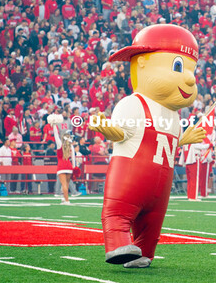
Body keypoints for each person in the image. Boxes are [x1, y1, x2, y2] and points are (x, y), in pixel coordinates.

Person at [88, 25, 206, 268]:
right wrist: (105, 128)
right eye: (178, 67)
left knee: (152, 223)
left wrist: (185, 138)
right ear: (142, 63)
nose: (190, 78)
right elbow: (121, 134)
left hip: (162, 182)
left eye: (191, 69)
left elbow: (168, 143)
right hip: (130, 176)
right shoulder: (133, 103)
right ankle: (117, 243)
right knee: (118, 214)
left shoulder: (174, 115)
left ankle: (144, 251)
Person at [51, 118, 76, 205]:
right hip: (69, 166)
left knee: (64, 184)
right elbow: (73, 158)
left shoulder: (59, 145)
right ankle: (64, 198)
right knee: (67, 184)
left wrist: (54, 125)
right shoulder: (71, 146)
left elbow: (55, 135)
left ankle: (67, 200)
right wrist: (74, 167)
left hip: (61, 167)